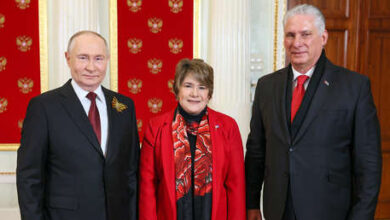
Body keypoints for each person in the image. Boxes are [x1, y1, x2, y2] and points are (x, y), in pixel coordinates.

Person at [245, 4, 382, 220]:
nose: (297, 43)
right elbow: (256, 151)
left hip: (330, 210)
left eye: (305, 34)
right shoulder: (266, 86)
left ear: (323, 37)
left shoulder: (355, 87)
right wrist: (251, 204)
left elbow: (369, 164)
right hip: (277, 209)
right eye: (290, 35)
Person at [16, 30, 139, 220]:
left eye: (98, 58)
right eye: (83, 58)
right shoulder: (43, 107)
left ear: (107, 59)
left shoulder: (124, 106)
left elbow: (131, 172)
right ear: (68, 59)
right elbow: (29, 177)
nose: (91, 67)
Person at [139, 58, 246, 220]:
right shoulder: (156, 127)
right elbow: (147, 185)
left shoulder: (228, 127)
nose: (195, 94)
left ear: (209, 93)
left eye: (202, 87)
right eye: (188, 86)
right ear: (177, 89)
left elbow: (236, 186)